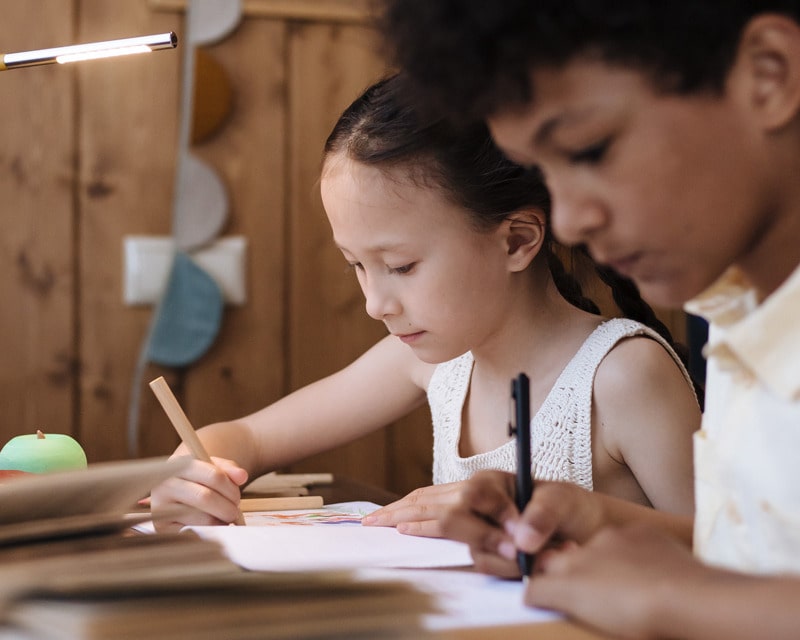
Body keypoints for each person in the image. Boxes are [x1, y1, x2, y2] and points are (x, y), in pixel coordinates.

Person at [379, 1, 800, 638]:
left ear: (768, 75)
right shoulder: (741, 317)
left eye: (589, 150)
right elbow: (760, 564)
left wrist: (677, 600)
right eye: (544, 172)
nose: (570, 220)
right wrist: (597, 523)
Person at [149, 73, 700, 540]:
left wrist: (571, 516)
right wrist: (191, 473)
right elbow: (249, 437)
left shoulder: (622, 375)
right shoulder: (434, 361)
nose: (374, 304)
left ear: (516, 241)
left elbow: (731, 555)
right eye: (356, 264)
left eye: (402, 265)